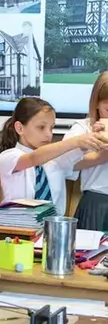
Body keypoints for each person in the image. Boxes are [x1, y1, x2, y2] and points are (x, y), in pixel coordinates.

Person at [0, 97, 107, 216]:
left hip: (52, 228)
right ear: (20, 128)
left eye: (51, 127)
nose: (48, 134)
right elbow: (34, 158)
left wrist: (94, 137)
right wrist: (76, 141)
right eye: (41, 127)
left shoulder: (56, 160)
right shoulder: (9, 157)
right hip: (17, 227)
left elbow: (77, 155)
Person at [63, 72, 108, 230]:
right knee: (90, 253)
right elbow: (64, 164)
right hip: (97, 202)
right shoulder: (83, 128)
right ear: (96, 103)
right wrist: (99, 156)